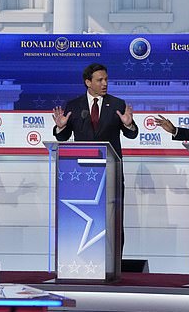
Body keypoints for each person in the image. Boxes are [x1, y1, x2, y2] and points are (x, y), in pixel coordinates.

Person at [52, 63, 139, 252]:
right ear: (88, 82)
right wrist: (60, 127)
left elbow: (132, 134)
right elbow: (62, 137)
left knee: (113, 218)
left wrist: (129, 125)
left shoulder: (117, 104)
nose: (105, 83)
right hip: (82, 174)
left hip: (111, 173)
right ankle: (82, 255)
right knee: (83, 216)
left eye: (106, 79)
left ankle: (115, 262)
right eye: (100, 80)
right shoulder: (74, 106)